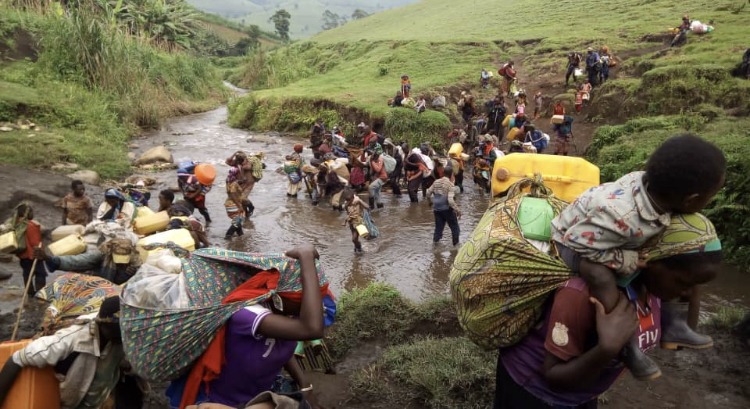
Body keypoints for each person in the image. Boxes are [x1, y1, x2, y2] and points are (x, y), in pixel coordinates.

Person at [494, 213, 722, 408]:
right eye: (684, 282)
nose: (688, 291)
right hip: (534, 392)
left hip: (584, 390)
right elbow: (554, 377)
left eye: (698, 284)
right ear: (649, 261)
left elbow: (680, 341)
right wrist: (607, 349)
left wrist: (691, 291)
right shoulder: (581, 295)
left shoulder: (659, 290)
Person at [551, 134, 726, 380]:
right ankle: (626, 343)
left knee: (673, 259)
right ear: (691, 200)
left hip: (607, 235)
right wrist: (627, 260)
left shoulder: (655, 193)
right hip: (571, 243)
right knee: (597, 273)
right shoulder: (623, 216)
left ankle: (674, 324)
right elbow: (577, 242)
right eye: (711, 197)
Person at [168, 244, 327, 409]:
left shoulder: (284, 314)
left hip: (254, 394)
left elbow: (282, 344)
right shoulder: (245, 314)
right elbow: (312, 329)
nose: (316, 306)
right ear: (280, 299)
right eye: (307, 299)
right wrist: (306, 255)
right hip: (216, 402)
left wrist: (304, 383)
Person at [0, 297, 129, 409]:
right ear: (102, 325)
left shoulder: (121, 340)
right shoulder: (70, 340)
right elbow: (17, 358)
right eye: (119, 332)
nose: (124, 337)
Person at [37, 237, 140, 285]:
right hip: (101, 286)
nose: (120, 263)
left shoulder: (135, 263)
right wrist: (48, 258)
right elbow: (77, 261)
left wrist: (132, 274)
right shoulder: (102, 256)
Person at [6, 203, 45, 295]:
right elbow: (35, 243)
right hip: (34, 255)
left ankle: (30, 293)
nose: (33, 214)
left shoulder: (15, 224)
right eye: (31, 212)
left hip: (22, 255)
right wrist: (41, 254)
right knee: (40, 274)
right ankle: (41, 294)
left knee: (27, 273)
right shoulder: (31, 225)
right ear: (25, 213)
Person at [427, 167, 461, 246]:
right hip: (447, 210)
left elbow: (428, 193)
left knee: (438, 229)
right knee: (455, 228)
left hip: (437, 209)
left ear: (443, 173)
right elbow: (450, 200)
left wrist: (430, 202)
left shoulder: (436, 182)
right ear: (451, 174)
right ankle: (456, 247)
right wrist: (458, 210)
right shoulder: (450, 184)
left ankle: (435, 246)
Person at [342, 189, 369, 253]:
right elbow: (348, 213)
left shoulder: (357, 201)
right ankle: (357, 248)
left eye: (349, 200)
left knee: (355, 239)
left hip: (358, 221)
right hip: (351, 222)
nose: (348, 202)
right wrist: (346, 221)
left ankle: (359, 249)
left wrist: (360, 201)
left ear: (353, 197)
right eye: (347, 200)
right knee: (354, 240)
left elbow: (367, 207)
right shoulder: (346, 203)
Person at [224, 164, 246, 240]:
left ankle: (240, 234)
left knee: (238, 220)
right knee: (238, 219)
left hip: (230, 204)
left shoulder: (229, 181)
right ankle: (228, 234)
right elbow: (233, 195)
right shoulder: (234, 184)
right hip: (233, 204)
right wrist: (239, 206)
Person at [368, 144, 387, 209]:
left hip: (382, 177)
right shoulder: (372, 159)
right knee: (377, 194)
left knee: (370, 188)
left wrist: (372, 162)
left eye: (371, 152)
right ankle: (380, 207)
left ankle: (371, 207)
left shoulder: (380, 159)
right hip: (377, 178)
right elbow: (371, 171)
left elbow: (378, 169)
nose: (370, 153)